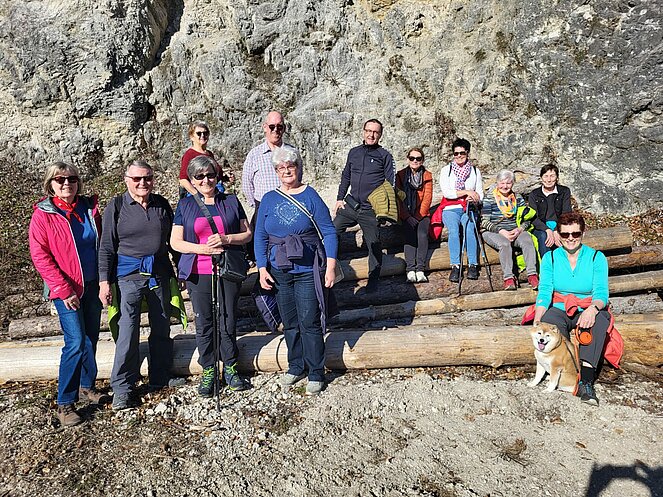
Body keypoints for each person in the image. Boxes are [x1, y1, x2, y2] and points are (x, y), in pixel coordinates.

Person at [98, 160, 184, 410]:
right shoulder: (116, 206)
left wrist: (180, 269)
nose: (142, 183)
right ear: (127, 180)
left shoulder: (161, 204)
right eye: (137, 178)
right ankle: (122, 388)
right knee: (127, 332)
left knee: (162, 326)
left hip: (159, 274)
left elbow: (172, 241)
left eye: (147, 178)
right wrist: (104, 282)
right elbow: (106, 247)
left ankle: (160, 377)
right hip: (128, 276)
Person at [254, 145, 338, 396]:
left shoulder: (310, 196)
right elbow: (260, 236)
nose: (286, 171)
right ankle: (296, 365)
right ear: (276, 172)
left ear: (299, 168)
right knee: (290, 321)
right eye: (281, 168)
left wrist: (331, 266)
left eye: (290, 166)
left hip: (307, 269)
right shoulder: (268, 199)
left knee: (309, 320)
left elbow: (328, 232)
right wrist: (261, 267)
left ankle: (316, 372)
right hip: (279, 269)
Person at [29, 162, 106, 427]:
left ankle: (87, 385)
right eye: (60, 179)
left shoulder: (88, 208)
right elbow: (40, 256)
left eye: (71, 179)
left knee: (91, 338)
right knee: (75, 342)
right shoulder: (43, 214)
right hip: (66, 290)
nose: (66, 184)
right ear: (50, 184)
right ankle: (65, 403)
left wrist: (105, 281)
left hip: (92, 285)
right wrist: (63, 290)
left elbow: (102, 245)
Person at [170, 155, 253, 396]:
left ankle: (230, 366)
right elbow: (175, 242)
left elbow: (247, 234)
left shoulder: (231, 201)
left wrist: (227, 239)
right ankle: (208, 368)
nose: (206, 180)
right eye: (200, 176)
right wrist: (201, 249)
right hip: (199, 271)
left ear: (217, 177)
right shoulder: (185, 205)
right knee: (204, 321)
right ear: (192, 180)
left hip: (226, 269)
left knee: (227, 318)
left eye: (210, 175)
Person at [532, 212, 617, 406]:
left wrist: (592, 309)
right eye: (565, 234)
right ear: (559, 235)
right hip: (560, 306)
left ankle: (586, 381)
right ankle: (563, 372)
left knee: (596, 323)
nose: (570, 238)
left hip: (587, 306)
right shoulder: (550, 258)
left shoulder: (596, 258)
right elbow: (545, 291)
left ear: (583, 233)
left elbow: (601, 293)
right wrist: (538, 318)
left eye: (575, 234)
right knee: (550, 323)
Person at [334, 118, 395, 293]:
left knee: (374, 243)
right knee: (331, 232)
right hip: (351, 205)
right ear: (363, 132)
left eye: (375, 132)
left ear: (380, 135)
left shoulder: (385, 156)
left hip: (370, 210)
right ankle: (332, 272)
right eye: (368, 131)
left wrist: (384, 211)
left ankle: (373, 281)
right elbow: (346, 176)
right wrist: (339, 198)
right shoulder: (354, 152)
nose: (371, 135)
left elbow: (390, 184)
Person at [481, 170, 539, 290]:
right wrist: (501, 231)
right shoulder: (490, 198)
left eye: (508, 183)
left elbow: (527, 219)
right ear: (497, 183)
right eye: (502, 183)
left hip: (515, 229)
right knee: (504, 244)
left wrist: (520, 229)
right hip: (493, 231)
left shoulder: (517, 198)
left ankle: (532, 275)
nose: (505, 186)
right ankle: (508, 278)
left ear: (513, 183)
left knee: (527, 240)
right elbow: (484, 222)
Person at [439, 138, 483, 283]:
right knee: (453, 230)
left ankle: (472, 264)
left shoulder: (475, 171)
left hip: (468, 207)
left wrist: (474, 198)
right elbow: (448, 193)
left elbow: (480, 193)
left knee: (469, 229)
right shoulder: (446, 170)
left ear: (467, 153)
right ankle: (456, 265)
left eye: (462, 153)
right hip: (450, 208)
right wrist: (467, 192)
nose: (458, 156)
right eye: (456, 153)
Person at [396, 147, 433, 283]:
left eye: (418, 158)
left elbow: (427, 198)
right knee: (409, 234)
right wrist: (407, 217)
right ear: (408, 159)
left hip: (421, 214)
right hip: (406, 214)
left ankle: (420, 269)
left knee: (422, 234)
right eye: (412, 158)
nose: (415, 161)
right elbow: (398, 199)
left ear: (422, 160)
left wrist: (417, 217)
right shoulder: (400, 175)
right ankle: (410, 270)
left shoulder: (427, 175)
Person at [178, 121, 233, 199]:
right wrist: (198, 196)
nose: (203, 135)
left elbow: (211, 176)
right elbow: (183, 180)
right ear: (191, 137)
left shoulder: (209, 154)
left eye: (205, 133)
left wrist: (225, 178)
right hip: (200, 198)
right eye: (199, 133)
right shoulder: (189, 155)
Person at [528, 164, 572, 256]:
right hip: (541, 227)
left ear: (557, 178)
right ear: (541, 178)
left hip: (560, 225)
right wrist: (547, 229)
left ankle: (566, 263)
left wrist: (557, 230)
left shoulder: (564, 191)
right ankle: (547, 264)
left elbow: (566, 213)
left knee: (565, 237)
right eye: (546, 176)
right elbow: (533, 217)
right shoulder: (534, 194)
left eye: (552, 176)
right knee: (543, 237)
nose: (549, 180)